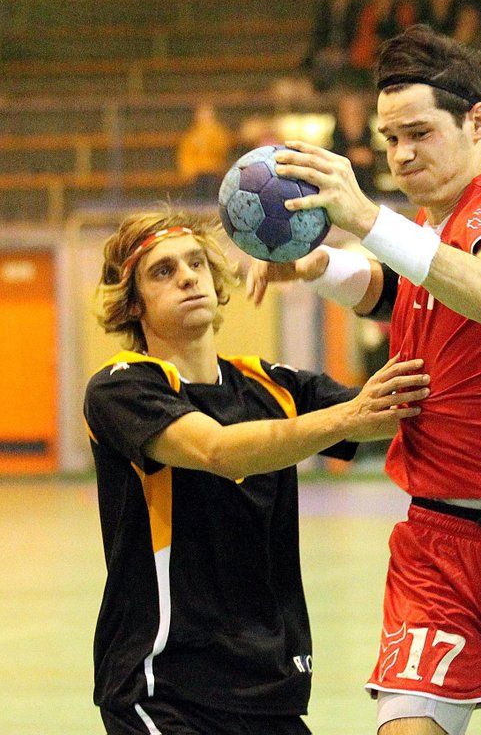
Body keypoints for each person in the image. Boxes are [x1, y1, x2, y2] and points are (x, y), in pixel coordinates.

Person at [247, 24, 481, 735]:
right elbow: (406, 293)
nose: (401, 154)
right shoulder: (434, 226)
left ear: (477, 122)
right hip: (438, 548)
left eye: (418, 133)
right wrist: (321, 266)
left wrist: (363, 218)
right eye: (389, 138)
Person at [84, 211, 428, 734]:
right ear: (134, 304)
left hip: (267, 687)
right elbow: (219, 451)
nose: (187, 277)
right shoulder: (121, 387)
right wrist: (350, 415)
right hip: (164, 688)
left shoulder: (271, 385)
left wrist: (333, 271)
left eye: (196, 263)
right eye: (163, 271)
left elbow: (397, 410)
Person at [176, 103, 232, 201]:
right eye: (202, 115)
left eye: (207, 114)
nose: (204, 118)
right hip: (197, 173)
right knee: (197, 188)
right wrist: (189, 171)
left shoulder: (219, 133)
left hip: (214, 171)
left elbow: (222, 150)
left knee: (212, 183)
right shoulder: (191, 136)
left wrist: (208, 138)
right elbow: (185, 155)